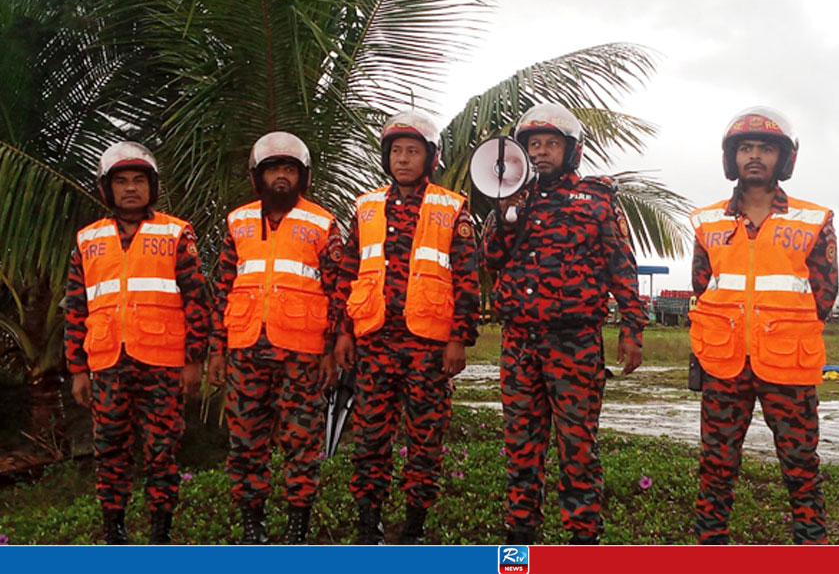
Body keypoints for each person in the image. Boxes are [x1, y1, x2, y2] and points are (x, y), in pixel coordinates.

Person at [481, 103, 646, 545]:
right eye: (533, 144)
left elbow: (621, 265)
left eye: (551, 144)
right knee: (521, 446)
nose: (540, 153)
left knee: (577, 446)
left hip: (574, 342)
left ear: (571, 150)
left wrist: (632, 327)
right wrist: (505, 214)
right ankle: (520, 535)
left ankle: (583, 539)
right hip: (519, 342)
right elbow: (491, 260)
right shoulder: (511, 196)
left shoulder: (596, 198)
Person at [689, 107, 837, 545]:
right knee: (716, 464)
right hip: (723, 364)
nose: (755, 156)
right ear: (731, 157)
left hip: (788, 366)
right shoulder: (707, 221)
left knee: (800, 465)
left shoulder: (814, 220)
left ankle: (812, 545)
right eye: (746, 148)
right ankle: (710, 544)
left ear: (784, 158)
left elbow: (823, 296)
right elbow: (702, 287)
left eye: (766, 148)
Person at [334, 110, 480, 545]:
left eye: (412, 152)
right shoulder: (365, 207)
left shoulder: (452, 208)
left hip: (429, 346)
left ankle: (414, 526)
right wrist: (344, 332)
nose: (402, 159)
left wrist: (459, 338)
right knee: (370, 438)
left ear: (430, 158)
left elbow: (468, 279)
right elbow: (349, 272)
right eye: (395, 151)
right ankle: (368, 525)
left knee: (425, 438)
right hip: (374, 342)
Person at [65, 141, 208, 544]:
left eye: (139, 180)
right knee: (109, 453)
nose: (131, 188)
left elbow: (197, 300)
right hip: (107, 364)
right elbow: (76, 306)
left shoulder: (176, 232)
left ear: (152, 187)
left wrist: (193, 361)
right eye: (122, 181)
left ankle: (160, 536)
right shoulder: (87, 240)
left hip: (162, 365)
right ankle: (116, 533)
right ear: (106, 189)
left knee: (162, 453)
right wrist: (77, 369)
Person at [207, 131, 342, 544]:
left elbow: (339, 290)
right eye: (272, 170)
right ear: (257, 177)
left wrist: (332, 350)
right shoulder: (238, 221)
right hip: (246, 348)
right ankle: (253, 525)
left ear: (302, 176)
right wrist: (216, 349)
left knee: (301, 443)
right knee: (246, 442)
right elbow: (223, 287)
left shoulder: (323, 223)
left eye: (288, 169)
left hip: (302, 352)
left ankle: (297, 526)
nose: (280, 177)